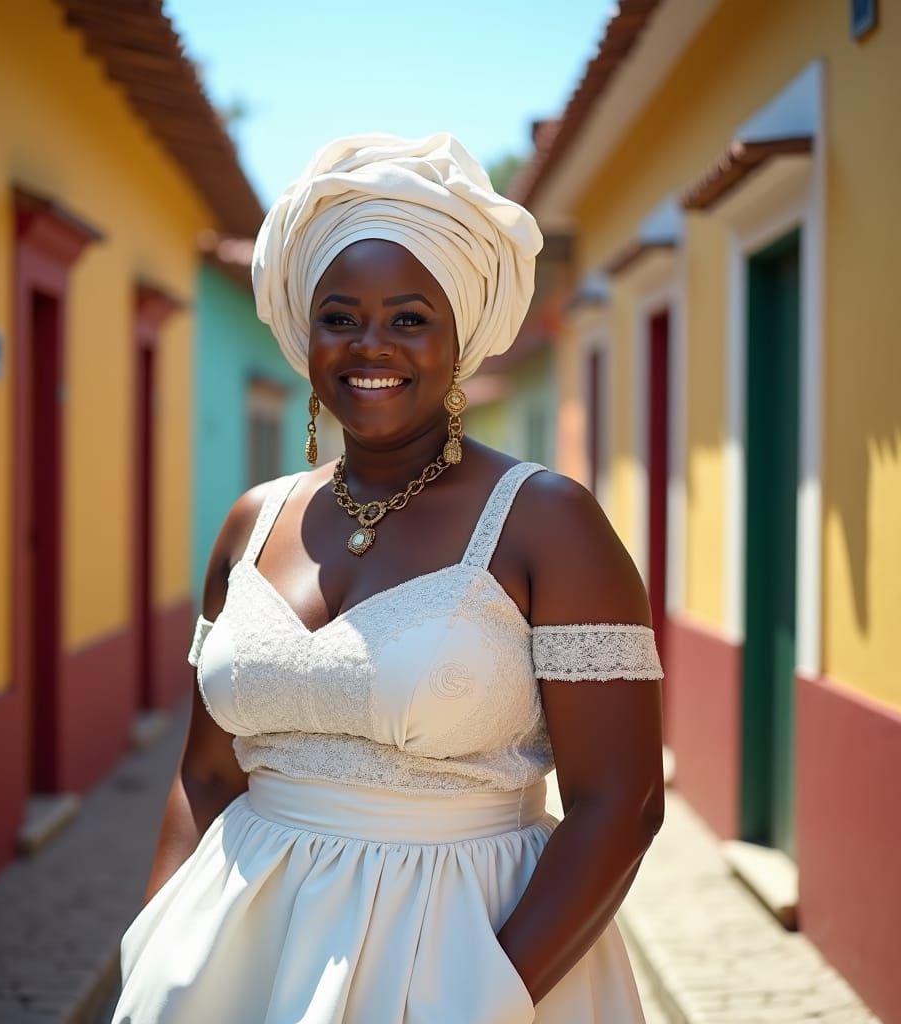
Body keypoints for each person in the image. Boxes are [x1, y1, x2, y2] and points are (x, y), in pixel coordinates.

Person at [112, 133, 665, 1024]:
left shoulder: (548, 523)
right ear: (306, 334)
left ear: (459, 338)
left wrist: (487, 995)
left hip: (470, 955)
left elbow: (623, 802)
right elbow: (207, 775)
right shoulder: (251, 522)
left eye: (410, 318)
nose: (371, 346)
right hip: (232, 964)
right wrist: (156, 941)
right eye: (340, 316)